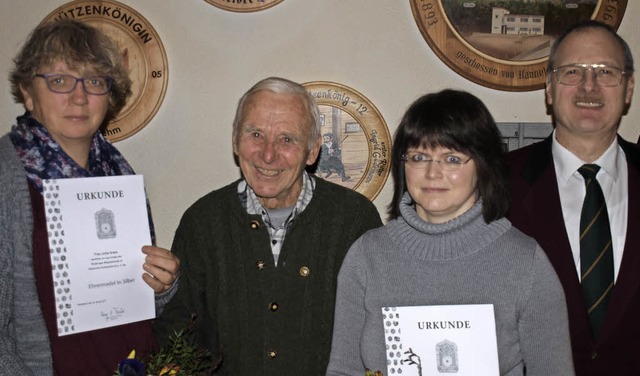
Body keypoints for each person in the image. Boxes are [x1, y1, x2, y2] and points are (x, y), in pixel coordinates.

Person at [327, 89, 574, 375]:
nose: (433, 173)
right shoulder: (366, 257)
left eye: (452, 159)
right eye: (419, 157)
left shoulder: (525, 262)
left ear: (483, 166)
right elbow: (344, 370)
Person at [154, 76, 382, 375]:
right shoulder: (202, 222)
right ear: (235, 139)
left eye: (287, 139)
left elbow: (377, 333)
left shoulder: (355, 219)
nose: (268, 154)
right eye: (256, 134)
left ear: (313, 151)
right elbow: (176, 334)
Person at [0, 20, 180, 375]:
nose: (79, 97)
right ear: (27, 91)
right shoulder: (6, 181)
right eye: (59, 80)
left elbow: (130, 304)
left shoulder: (118, 174)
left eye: (95, 81)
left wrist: (161, 287)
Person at [507, 20, 638, 375]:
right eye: (572, 72)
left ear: (628, 88)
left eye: (606, 72)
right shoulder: (497, 183)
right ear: (549, 88)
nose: (588, 86)